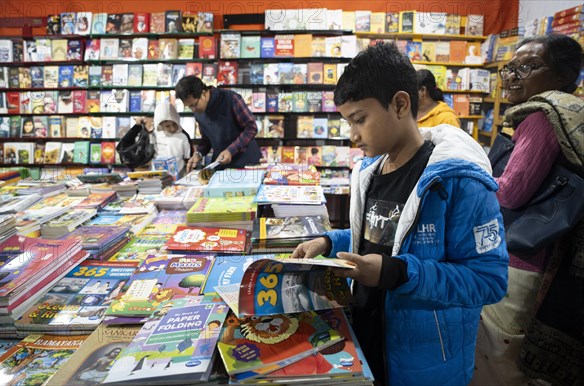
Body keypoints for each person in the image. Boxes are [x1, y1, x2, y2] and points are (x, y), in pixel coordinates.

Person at [290, 42, 508, 386]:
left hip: (425, 362)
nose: (352, 136)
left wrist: (398, 273)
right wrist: (328, 241)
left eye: (360, 120)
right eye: (348, 122)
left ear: (400, 104)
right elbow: (379, 235)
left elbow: (489, 281)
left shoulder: (458, 183)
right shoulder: (370, 172)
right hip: (367, 341)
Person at [472, 34, 584, 386]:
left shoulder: (543, 114)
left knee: (497, 362)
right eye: (510, 67)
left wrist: (473, 176)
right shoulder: (572, 113)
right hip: (552, 256)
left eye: (528, 66)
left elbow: (511, 193)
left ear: (565, 75)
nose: (513, 76)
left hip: (520, 259)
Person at [175, 76, 261, 172]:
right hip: (221, 165)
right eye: (189, 107)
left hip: (246, 162)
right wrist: (198, 154)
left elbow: (251, 127)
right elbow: (206, 138)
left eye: (194, 105)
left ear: (203, 93)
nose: (193, 110)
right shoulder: (198, 111)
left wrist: (230, 150)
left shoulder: (231, 98)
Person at [139, 101, 193, 178]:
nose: (172, 128)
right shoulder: (154, 135)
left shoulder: (183, 137)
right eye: (167, 126)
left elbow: (188, 158)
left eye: (174, 124)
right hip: (157, 176)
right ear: (160, 124)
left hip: (178, 175)